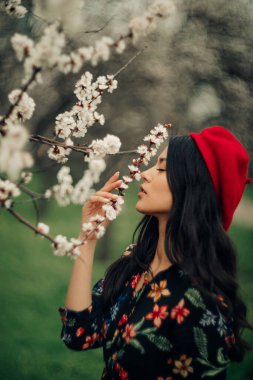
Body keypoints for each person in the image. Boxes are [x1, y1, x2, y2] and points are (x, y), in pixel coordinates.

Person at [58, 125, 253, 379]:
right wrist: (87, 239)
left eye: (161, 168)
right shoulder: (138, 261)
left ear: (192, 186)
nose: (144, 175)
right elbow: (78, 334)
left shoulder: (201, 304)